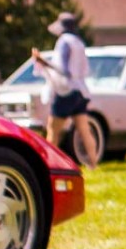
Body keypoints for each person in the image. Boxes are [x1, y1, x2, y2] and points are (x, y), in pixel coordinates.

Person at [32, 12, 99, 166]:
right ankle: (93, 161)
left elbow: (62, 69)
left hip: (66, 92)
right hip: (80, 91)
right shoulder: (79, 42)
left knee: (53, 130)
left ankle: (47, 163)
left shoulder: (64, 42)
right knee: (84, 129)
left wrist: (42, 61)